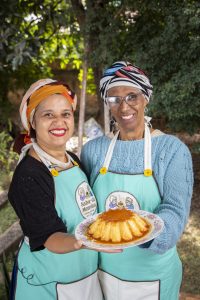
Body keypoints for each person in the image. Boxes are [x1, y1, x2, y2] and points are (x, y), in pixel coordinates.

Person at [81, 61, 194, 300]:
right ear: (107, 103)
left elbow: (175, 210)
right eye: (114, 99)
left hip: (152, 275)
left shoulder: (171, 150)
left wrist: (140, 234)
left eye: (132, 96)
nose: (124, 106)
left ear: (145, 98)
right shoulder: (93, 151)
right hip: (105, 272)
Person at [8, 79, 103, 300]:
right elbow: (49, 237)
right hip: (48, 283)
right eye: (48, 115)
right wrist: (85, 241)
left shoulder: (73, 160)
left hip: (84, 275)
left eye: (65, 114)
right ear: (32, 122)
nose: (58, 122)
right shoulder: (29, 175)